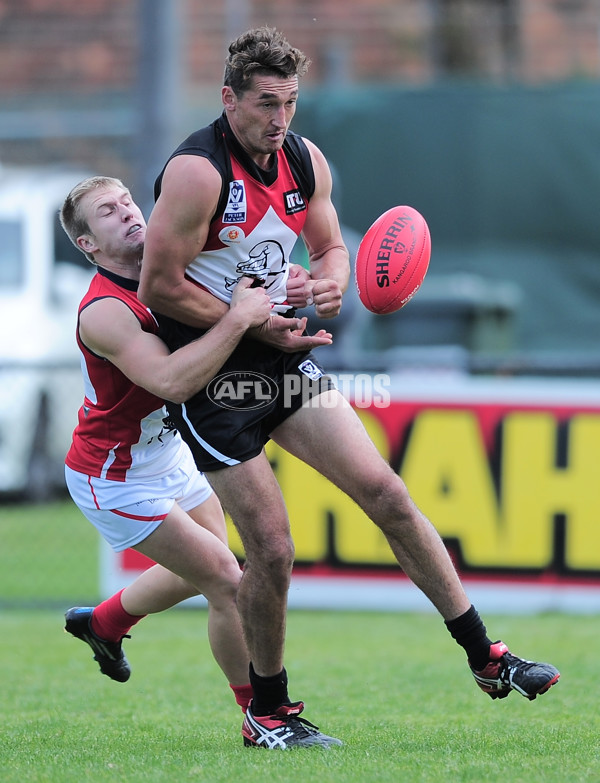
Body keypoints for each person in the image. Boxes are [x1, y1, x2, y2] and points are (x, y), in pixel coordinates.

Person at [138, 27, 560, 750]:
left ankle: (487, 655)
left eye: (290, 103)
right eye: (265, 103)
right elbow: (159, 285)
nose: (279, 120)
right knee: (271, 546)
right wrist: (255, 320)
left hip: (280, 356)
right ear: (228, 98)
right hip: (212, 377)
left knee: (389, 495)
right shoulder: (197, 173)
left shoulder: (303, 159)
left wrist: (331, 282)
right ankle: (268, 712)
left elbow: (331, 247)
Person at [58, 175, 277, 724]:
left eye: (128, 200)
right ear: (89, 244)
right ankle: (261, 718)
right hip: (114, 475)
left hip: (170, 454)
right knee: (228, 581)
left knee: (211, 569)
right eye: (108, 212)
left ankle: (103, 623)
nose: (128, 211)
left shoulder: (173, 269)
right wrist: (240, 316)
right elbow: (173, 383)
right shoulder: (104, 310)